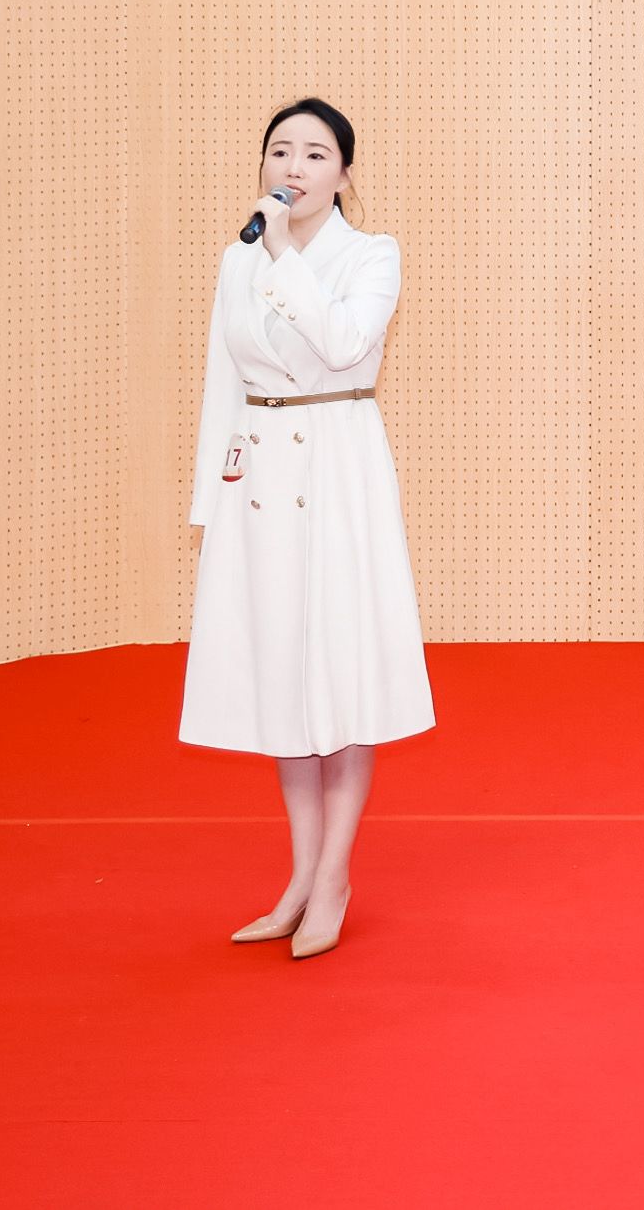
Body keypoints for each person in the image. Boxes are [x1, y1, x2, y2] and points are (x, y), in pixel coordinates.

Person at [177, 98, 434, 960]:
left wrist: (285, 255)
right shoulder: (237, 257)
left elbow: (343, 343)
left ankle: (333, 876)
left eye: (316, 154)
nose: (294, 167)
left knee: (342, 672)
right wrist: (210, 505)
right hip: (260, 481)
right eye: (280, 150)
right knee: (283, 673)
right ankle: (297, 875)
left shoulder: (372, 254)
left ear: (345, 173)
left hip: (337, 471)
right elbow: (223, 383)